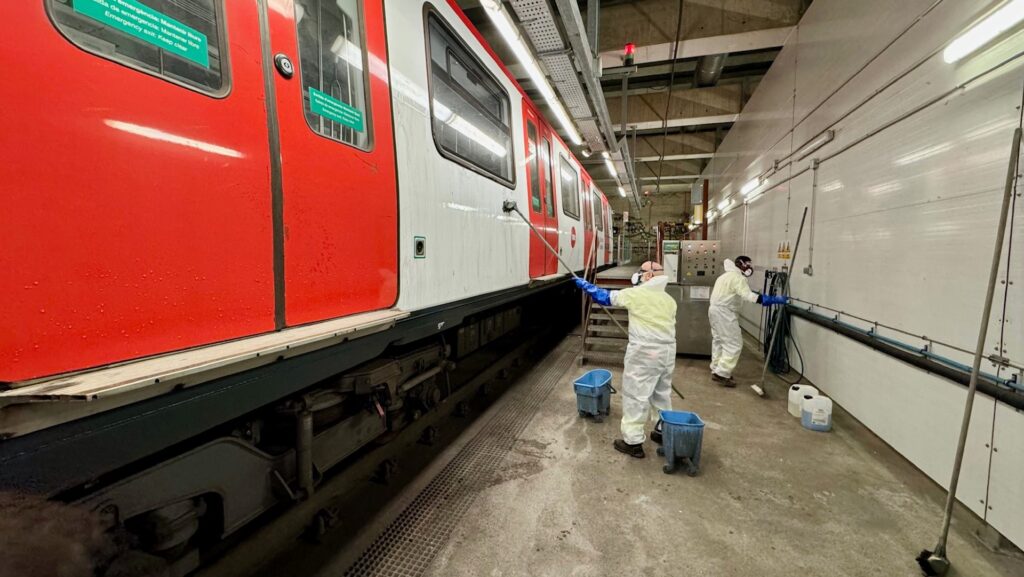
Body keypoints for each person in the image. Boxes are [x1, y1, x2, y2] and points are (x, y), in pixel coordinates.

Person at [574, 261, 676, 459]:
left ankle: (633, 442)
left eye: (641, 271)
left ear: (648, 276)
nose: (637, 274)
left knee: (636, 396)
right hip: (667, 352)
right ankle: (664, 431)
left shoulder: (637, 294)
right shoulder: (669, 299)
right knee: (661, 394)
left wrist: (585, 286)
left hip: (644, 354)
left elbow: (606, 298)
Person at [708, 256, 788, 387]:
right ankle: (722, 373)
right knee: (734, 344)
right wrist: (770, 299)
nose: (750, 267)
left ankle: (716, 367)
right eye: (748, 264)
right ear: (740, 264)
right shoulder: (737, 278)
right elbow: (748, 296)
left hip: (714, 311)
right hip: (725, 313)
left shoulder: (724, 276)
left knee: (719, 340)